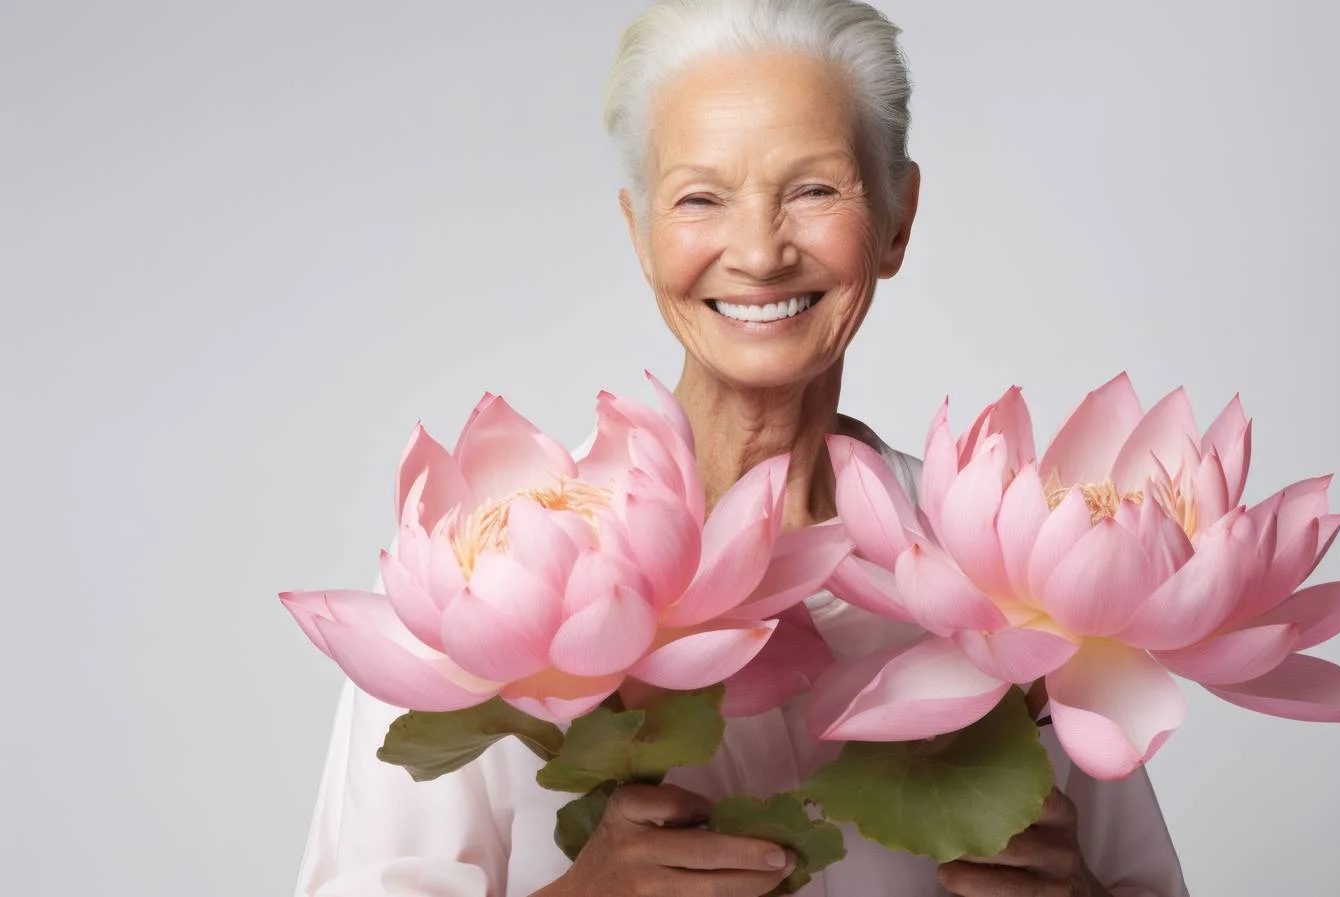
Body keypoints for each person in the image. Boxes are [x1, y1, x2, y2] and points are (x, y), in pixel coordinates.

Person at [294, 1, 1190, 894]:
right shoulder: (480, 581)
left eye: (812, 189)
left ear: (898, 218)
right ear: (640, 234)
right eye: (700, 198)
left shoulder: (1021, 563)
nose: (759, 253)